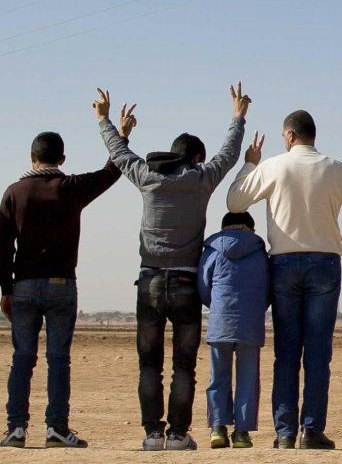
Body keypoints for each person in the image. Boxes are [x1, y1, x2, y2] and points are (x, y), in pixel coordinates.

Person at [98, 84, 249, 451]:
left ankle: (152, 435)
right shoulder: (199, 181)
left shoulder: (148, 178)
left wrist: (107, 122)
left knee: (149, 365)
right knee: (184, 365)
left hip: (149, 279)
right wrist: (238, 117)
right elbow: (228, 156)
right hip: (185, 283)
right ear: (194, 158)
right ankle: (179, 434)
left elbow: (120, 155)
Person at [226, 109, 342, 450]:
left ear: (290, 135)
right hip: (324, 261)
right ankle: (311, 429)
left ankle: (284, 432)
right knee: (317, 352)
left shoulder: (274, 166)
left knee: (286, 352)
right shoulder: (334, 167)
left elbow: (234, 200)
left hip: (283, 262)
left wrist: (250, 163)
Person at [0, 103, 121, 449]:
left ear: (31, 157)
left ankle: (16, 429)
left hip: (22, 285)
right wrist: (118, 132)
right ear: (63, 159)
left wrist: (6, 289)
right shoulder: (69, 188)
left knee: (22, 357)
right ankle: (56, 428)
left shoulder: (13, 192)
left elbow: (1, 248)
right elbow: (111, 172)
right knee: (58, 360)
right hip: (61, 285)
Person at [199, 211, 270, 450]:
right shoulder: (260, 251)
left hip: (220, 321)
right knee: (248, 380)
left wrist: (218, 306)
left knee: (218, 377)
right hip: (250, 322)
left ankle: (218, 428)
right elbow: (268, 289)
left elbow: (204, 286)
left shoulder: (212, 249)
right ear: (250, 228)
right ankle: (242, 432)